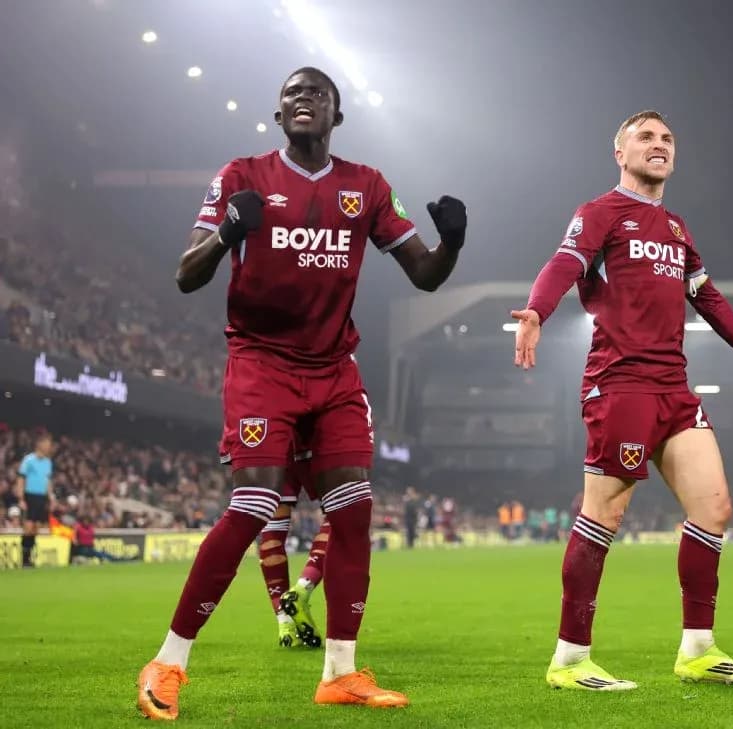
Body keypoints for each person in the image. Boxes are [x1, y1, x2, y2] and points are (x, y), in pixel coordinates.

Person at [136, 66, 466, 719]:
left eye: (317, 94)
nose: (303, 102)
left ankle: (340, 671)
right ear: (278, 114)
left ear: (336, 115)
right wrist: (230, 230)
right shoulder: (241, 177)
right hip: (262, 364)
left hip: (334, 370)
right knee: (254, 503)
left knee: (354, 512)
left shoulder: (365, 185)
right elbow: (185, 275)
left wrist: (452, 240)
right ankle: (168, 661)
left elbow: (426, 275)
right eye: (292, 95)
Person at [512, 110, 733, 690]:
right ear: (620, 153)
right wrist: (538, 309)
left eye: (666, 139)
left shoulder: (677, 229)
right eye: (645, 137)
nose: (658, 145)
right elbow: (564, 263)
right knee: (604, 515)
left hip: (674, 388)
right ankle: (569, 657)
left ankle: (698, 651)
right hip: (621, 383)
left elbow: (706, 296)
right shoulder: (599, 214)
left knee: (714, 508)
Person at [257, 450, 329, 648]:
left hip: (275, 440)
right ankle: (301, 590)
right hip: (312, 442)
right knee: (340, 514)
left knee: (273, 527)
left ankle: (285, 626)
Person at [16, 434, 55, 568]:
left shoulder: (48, 462)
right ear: (40, 444)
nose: (49, 447)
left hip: (41, 497)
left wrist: (51, 497)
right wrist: (21, 498)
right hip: (30, 496)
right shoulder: (28, 460)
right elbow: (21, 479)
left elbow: (48, 481)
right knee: (28, 527)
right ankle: (24, 559)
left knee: (36, 528)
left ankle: (29, 558)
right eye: (47, 444)